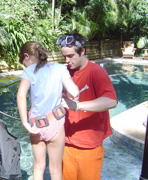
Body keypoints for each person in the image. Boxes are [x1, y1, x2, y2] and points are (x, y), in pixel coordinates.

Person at [56, 33, 118, 180]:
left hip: (89, 145)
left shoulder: (96, 72)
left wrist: (77, 105)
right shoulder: (63, 72)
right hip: (65, 142)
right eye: (64, 56)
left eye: (71, 56)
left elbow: (111, 101)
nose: (67, 60)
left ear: (82, 51)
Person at [17, 41, 79, 180]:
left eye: (23, 62)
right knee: (55, 170)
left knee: (38, 167)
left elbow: (20, 96)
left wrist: (25, 124)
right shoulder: (59, 68)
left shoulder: (28, 71)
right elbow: (74, 92)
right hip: (54, 123)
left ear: (26, 56)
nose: (25, 65)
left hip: (35, 125)